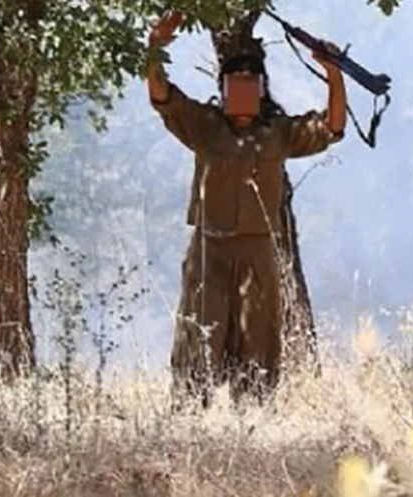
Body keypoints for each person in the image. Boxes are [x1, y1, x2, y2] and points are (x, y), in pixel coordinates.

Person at [145, 11, 346, 406]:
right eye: (234, 83)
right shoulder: (203, 125)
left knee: (258, 340)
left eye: (250, 83)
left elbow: (332, 128)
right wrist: (154, 47)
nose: (242, 90)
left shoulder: (278, 133)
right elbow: (161, 95)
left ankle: (253, 418)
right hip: (209, 249)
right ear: (221, 89)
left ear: (261, 89)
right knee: (199, 335)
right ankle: (189, 414)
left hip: (258, 251)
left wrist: (333, 75)